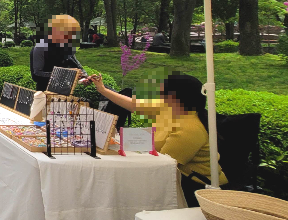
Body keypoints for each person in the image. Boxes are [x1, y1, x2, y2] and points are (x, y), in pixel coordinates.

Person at [88, 72, 227, 207]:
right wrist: (102, 89)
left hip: (196, 189)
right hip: (169, 171)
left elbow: (163, 164)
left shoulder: (190, 128)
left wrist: (120, 149)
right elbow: (133, 104)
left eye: (162, 92)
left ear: (176, 98)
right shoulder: (169, 109)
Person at [30, 15, 86, 91]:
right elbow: (36, 75)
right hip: (45, 94)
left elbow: (78, 67)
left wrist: (85, 77)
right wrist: (66, 74)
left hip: (66, 93)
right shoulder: (41, 47)